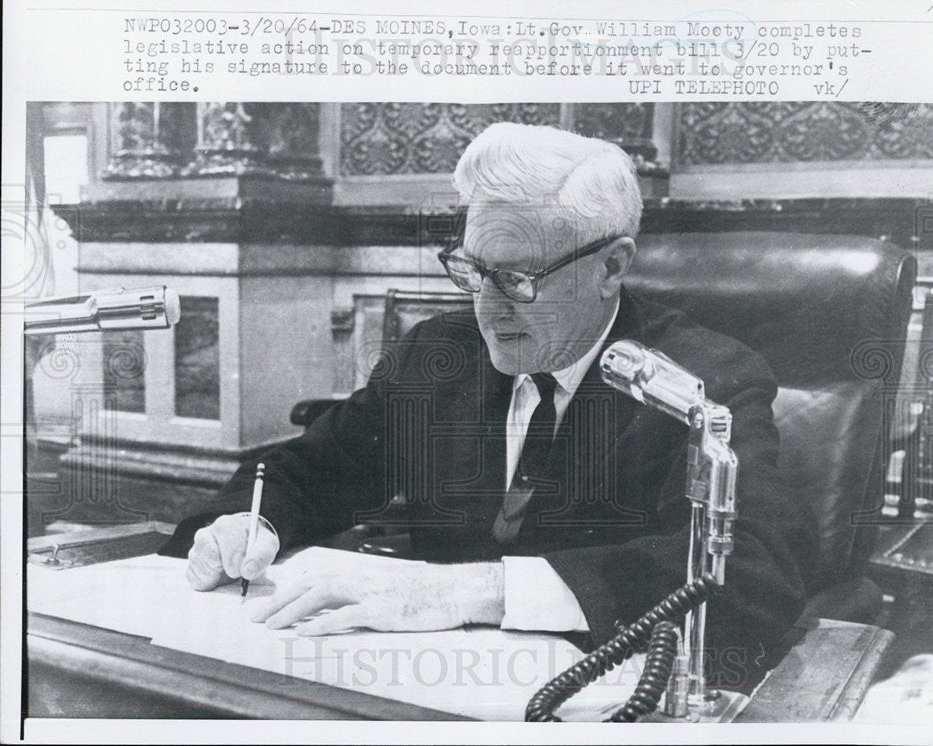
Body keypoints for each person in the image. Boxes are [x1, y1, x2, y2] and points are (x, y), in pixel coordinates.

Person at [163, 122, 817, 687]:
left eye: (517, 279)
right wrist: (248, 526)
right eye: (474, 271)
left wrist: (467, 589)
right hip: (423, 692)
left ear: (611, 267)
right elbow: (312, 470)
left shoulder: (701, 382)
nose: (485, 306)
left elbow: (756, 572)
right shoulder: (438, 356)